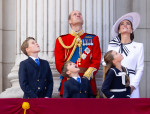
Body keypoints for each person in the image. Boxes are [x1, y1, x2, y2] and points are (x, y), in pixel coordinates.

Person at [55, 10, 101, 97]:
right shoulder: (61, 40)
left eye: (80, 14)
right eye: (74, 14)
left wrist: (86, 77)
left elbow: (96, 61)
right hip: (68, 81)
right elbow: (59, 63)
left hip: (87, 83)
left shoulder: (93, 38)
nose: (78, 15)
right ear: (70, 21)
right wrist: (70, 76)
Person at [107, 12, 144, 98]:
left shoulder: (139, 46)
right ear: (119, 30)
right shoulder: (112, 46)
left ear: (131, 29)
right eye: (122, 24)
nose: (125, 25)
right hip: (115, 81)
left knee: (132, 109)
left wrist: (133, 86)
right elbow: (106, 64)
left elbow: (140, 68)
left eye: (128, 23)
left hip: (131, 82)